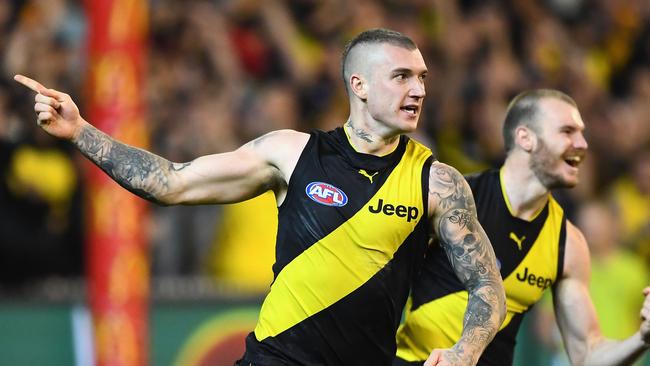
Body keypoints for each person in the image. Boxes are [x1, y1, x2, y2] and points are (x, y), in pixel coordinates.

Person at [15, 28, 505, 366]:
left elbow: (488, 287)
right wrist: (80, 131)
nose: (417, 88)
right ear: (359, 84)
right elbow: (169, 181)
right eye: (402, 76)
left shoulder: (437, 182)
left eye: (422, 77)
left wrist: (465, 350)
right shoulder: (290, 153)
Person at [394, 89, 650, 366]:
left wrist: (643, 338)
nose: (582, 143)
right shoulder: (454, 198)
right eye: (567, 131)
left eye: (582, 133)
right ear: (525, 137)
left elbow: (587, 355)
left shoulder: (568, 244)